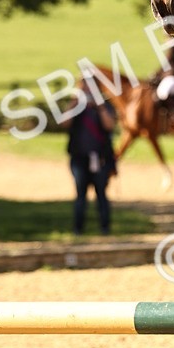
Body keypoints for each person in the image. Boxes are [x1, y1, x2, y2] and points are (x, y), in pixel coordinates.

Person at [67, 77, 116, 235]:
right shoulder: (76, 107)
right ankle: (78, 229)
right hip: (79, 157)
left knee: (101, 194)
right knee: (80, 194)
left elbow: (110, 125)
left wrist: (99, 106)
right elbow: (63, 123)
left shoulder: (105, 105)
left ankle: (105, 228)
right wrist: (75, 101)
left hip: (100, 158)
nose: (87, 90)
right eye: (84, 86)